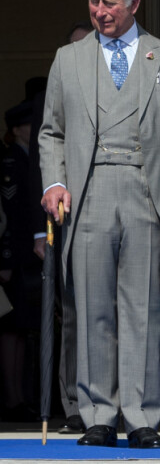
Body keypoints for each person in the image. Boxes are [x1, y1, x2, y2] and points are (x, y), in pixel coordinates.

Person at [39, 0, 160, 448]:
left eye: (109, 2)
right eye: (93, 1)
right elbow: (52, 132)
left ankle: (143, 416)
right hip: (87, 195)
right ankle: (98, 415)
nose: (99, 12)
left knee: (143, 310)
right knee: (91, 309)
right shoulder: (69, 59)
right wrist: (53, 184)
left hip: (147, 195)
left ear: (134, 2)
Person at [29, 26, 92, 435]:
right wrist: (40, 230)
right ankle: (72, 403)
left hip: (104, 208)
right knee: (70, 315)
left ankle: (108, 402)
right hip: (63, 218)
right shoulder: (55, 87)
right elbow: (44, 153)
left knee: (109, 316)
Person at [0, 101, 42, 422]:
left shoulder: (33, 160)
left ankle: (25, 396)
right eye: (29, 124)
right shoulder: (10, 162)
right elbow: (10, 217)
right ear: (16, 130)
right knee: (12, 331)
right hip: (13, 261)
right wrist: (6, 259)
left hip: (30, 259)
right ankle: (13, 398)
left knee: (25, 330)